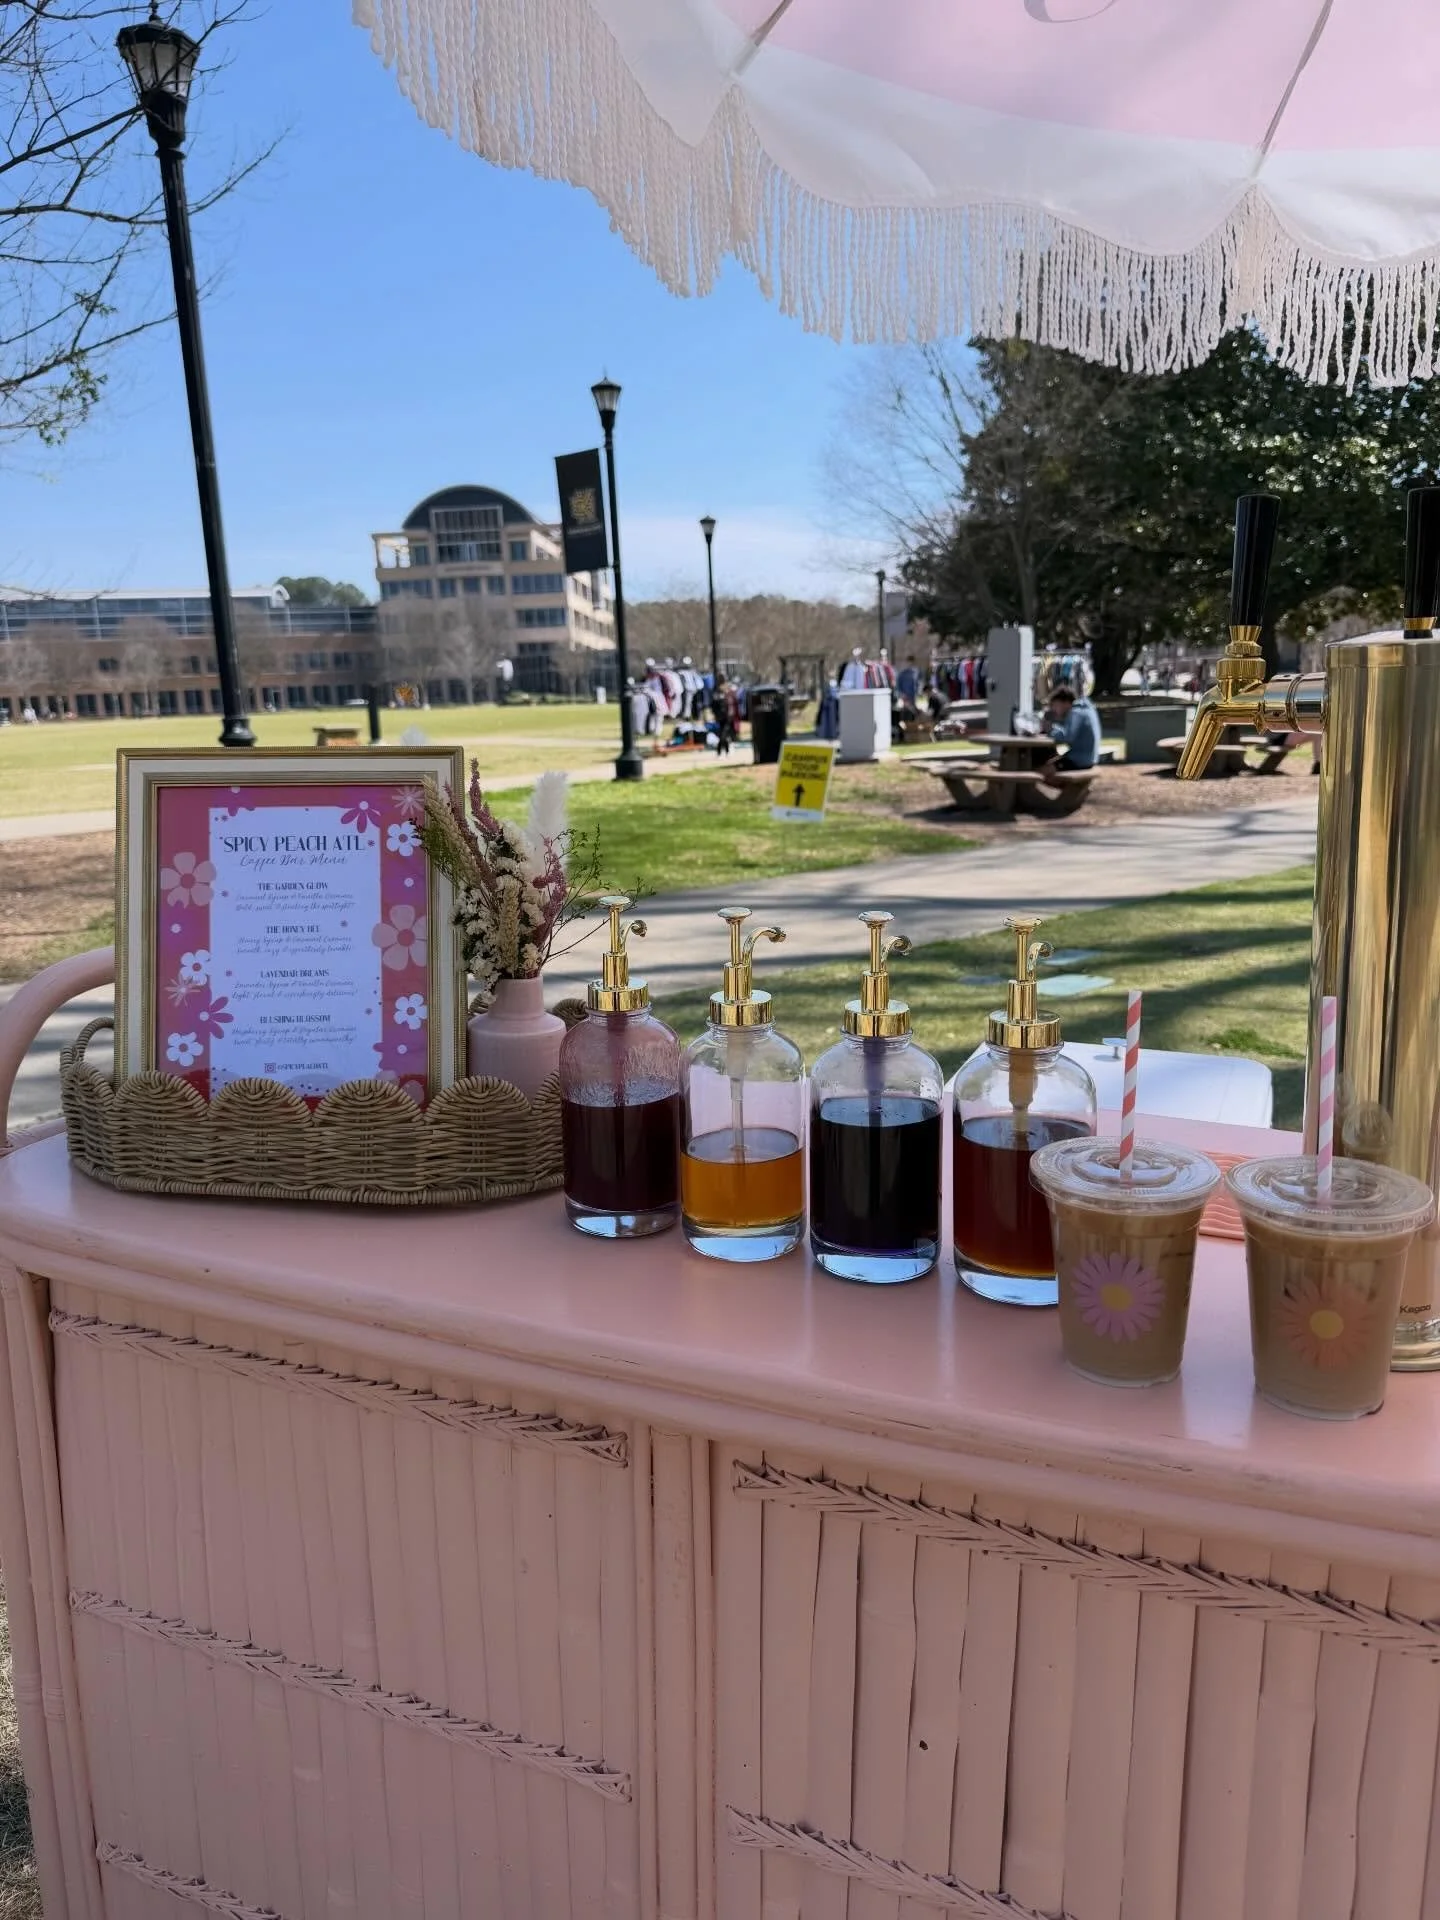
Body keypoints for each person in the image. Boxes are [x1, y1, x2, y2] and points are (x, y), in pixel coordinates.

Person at [1045, 683, 1101, 770]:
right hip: (1089, 759)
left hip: (1080, 761)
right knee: (1051, 761)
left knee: (1043, 770)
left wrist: (1050, 730)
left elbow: (1067, 737)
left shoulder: (1076, 713)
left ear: (1066, 703)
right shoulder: (1085, 708)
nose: (1053, 710)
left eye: (1055, 706)